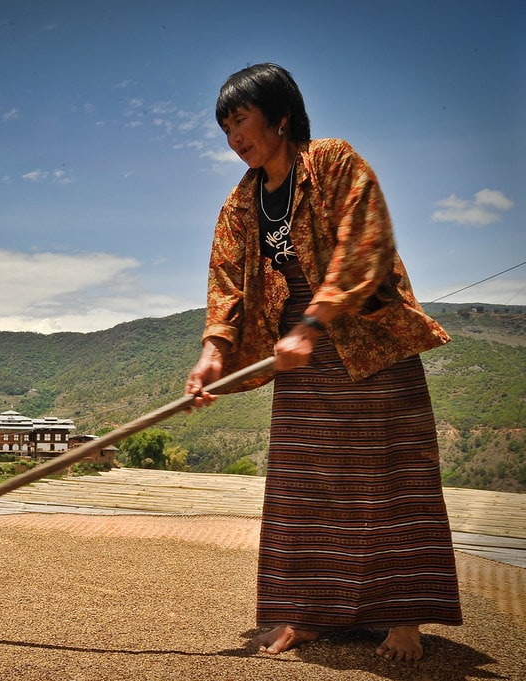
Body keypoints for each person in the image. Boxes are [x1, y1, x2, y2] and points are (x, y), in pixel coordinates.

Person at [186, 63, 462, 662]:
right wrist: (214, 351)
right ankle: (307, 612)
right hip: (297, 354)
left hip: (366, 336)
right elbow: (226, 281)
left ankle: (403, 616)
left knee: (391, 472)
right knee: (304, 481)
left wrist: (315, 322)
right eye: (226, 127)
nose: (234, 137)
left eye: (242, 120)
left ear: (279, 117)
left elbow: (366, 243)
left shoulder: (332, 162)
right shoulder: (242, 201)